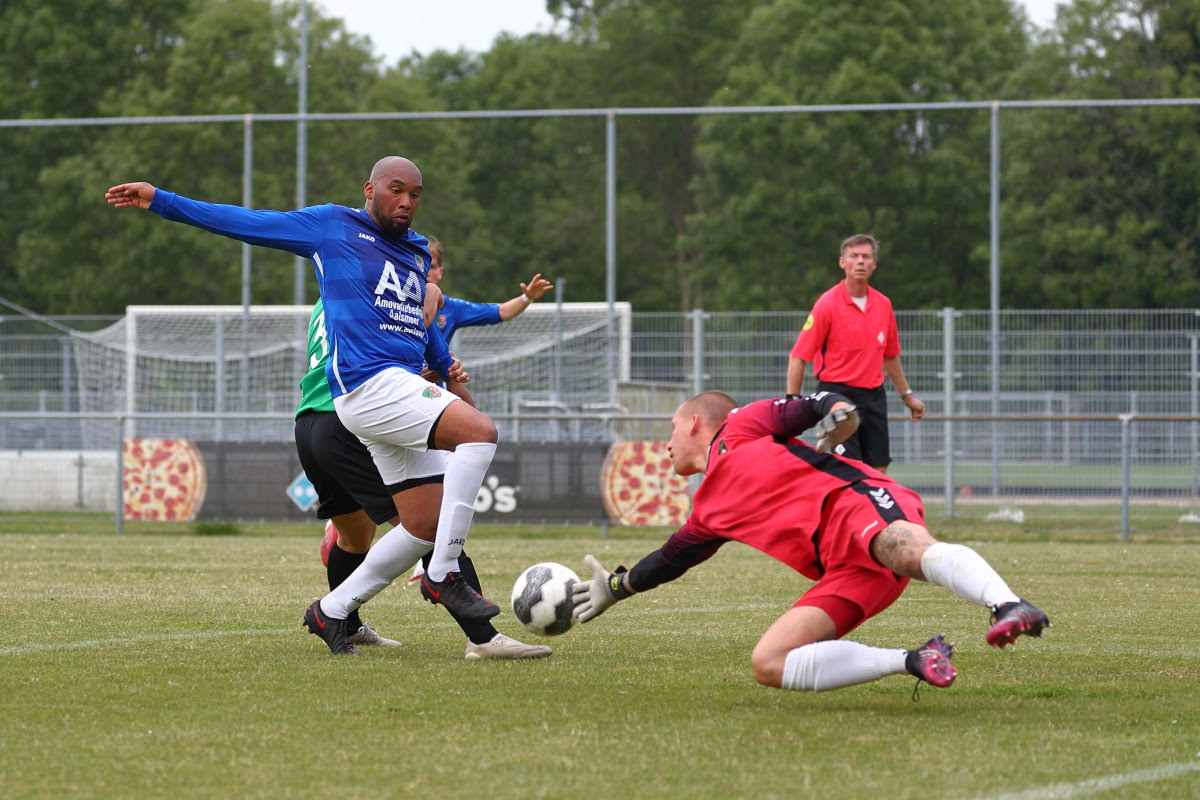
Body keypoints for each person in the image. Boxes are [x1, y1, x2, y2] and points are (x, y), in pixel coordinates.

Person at [105, 156, 502, 651]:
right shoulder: (333, 226)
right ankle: (448, 583)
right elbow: (247, 223)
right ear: (370, 189)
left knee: (416, 523)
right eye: (395, 190)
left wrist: (448, 369)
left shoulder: (417, 255)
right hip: (363, 390)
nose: (406, 202)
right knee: (480, 434)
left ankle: (333, 611)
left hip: (368, 400)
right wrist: (163, 201)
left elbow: (418, 330)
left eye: (416, 194)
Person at [571, 390, 1050, 695]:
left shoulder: (740, 425)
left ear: (695, 422)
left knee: (905, 550)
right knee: (770, 663)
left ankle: (1009, 605)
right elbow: (670, 559)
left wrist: (837, 412)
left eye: (671, 428)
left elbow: (813, 406)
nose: (667, 442)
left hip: (856, 506)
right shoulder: (708, 512)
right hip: (847, 571)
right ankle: (914, 660)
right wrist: (618, 587)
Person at [296, 286, 551, 658]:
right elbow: (410, 323)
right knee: (430, 526)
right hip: (355, 419)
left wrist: (435, 361)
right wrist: (429, 325)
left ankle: (343, 622)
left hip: (310, 423)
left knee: (352, 536)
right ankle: (482, 638)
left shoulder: (335, 290)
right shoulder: (388, 283)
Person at [403, 235, 554, 586]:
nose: (426, 267)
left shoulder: (448, 308)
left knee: (441, 477)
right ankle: (430, 561)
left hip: (428, 405)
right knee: (417, 486)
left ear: (438, 270)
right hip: (396, 399)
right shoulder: (393, 300)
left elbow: (498, 312)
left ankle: (432, 563)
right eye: (420, 260)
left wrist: (526, 299)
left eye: (433, 263)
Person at [786, 234, 925, 473]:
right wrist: (792, 402)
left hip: (874, 396)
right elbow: (799, 356)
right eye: (854, 256)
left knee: (879, 469)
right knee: (850, 469)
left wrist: (907, 396)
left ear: (874, 264)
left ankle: (873, 510)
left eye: (866, 256)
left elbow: (890, 355)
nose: (860, 261)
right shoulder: (827, 304)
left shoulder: (883, 305)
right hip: (836, 394)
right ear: (843, 263)